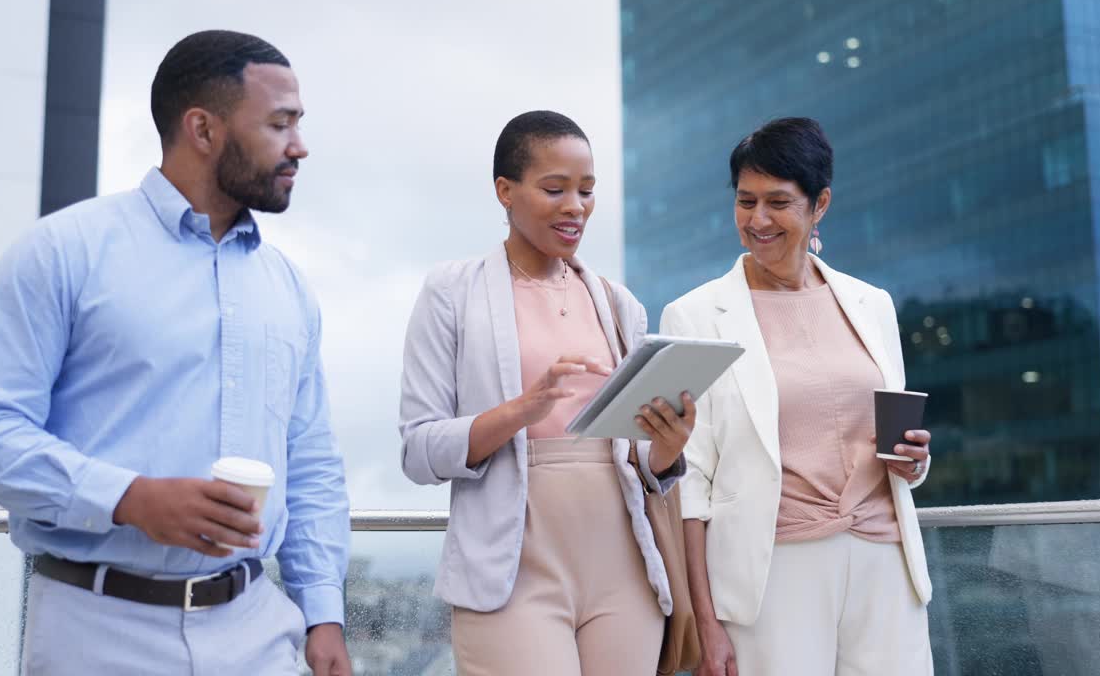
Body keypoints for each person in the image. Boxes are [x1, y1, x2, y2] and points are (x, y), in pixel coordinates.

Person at [0, 30, 350, 676]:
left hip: (260, 633)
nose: (299, 147)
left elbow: (311, 463)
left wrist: (323, 612)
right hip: (96, 631)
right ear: (203, 129)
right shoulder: (61, 252)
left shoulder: (288, 287)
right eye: (280, 125)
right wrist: (128, 498)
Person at [398, 110, 691, 675]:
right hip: (511, 574)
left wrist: (668, 449)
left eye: (586, 190)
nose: (575, 206)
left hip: (622, 568)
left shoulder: (618, 303)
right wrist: (522, 410)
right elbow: (417, 452)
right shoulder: (450, 293)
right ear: (505, 191)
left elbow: (640, 465)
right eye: (554, 189)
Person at [660, 117, 934, 676]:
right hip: (772, 574)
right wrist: (706, 624)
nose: (758, 220)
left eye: (779, 202)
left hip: (885, 562)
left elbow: (891, 441)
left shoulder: (872, 304)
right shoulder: (693, 316)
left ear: (820, 204)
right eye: (745, 201)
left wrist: (915, 461)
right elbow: (692, 486)